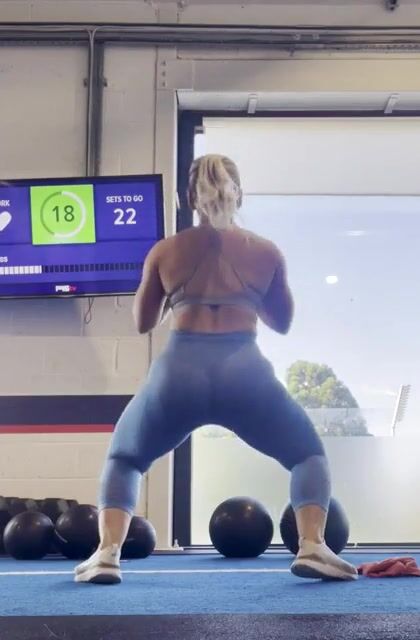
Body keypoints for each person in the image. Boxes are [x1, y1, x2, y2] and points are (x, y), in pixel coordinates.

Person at [75, 154, 357, 584]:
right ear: (238, 193)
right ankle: (313, 546)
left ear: (191, 198)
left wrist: (179, 291)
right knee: (307, 455)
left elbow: (143, 322)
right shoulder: (265, 251)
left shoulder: (166, 250)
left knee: (125, 459)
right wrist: (245, 293)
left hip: (179, 371)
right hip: (244, 370)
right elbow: (282, 323)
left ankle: (107, 554)